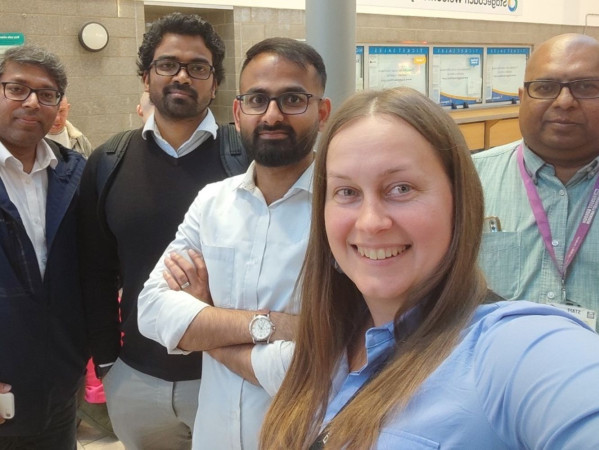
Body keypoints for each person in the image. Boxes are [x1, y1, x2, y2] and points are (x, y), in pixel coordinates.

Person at [259, 87, 599, 449]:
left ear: (459, 199)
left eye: (401, 188)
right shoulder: (332, 346)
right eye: (347, 192)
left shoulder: (512, 348)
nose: (371, 222)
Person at [138, 37, 331, 450]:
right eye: (258, 99)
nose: (273, 115)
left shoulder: (343, 209)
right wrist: (272, 326)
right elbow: (151, 310)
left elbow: (322, 360)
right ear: (238, 111)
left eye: (293, 99)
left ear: (322, 110)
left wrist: (207, 324)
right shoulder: (212, 202)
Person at [78, 13, 249, 449]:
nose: (182, 76)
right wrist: (109, 363)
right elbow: (93, 272)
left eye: (198, 67)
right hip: (137, 380)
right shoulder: (108, 161)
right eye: (168, 64)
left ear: (214, 82)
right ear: (146, 76)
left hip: (230, 377)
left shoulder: (247, 158)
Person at [473, 33, 599, 331]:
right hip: (492, 371)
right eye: (545, 88)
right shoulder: (466, 181)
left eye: (586, 87)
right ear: (522, 98)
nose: (564, 101)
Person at [0, 45, 88, 448]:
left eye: (47, 93)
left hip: (57, 390)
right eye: (17, 88)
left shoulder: (77, 174)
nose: (32, 102)